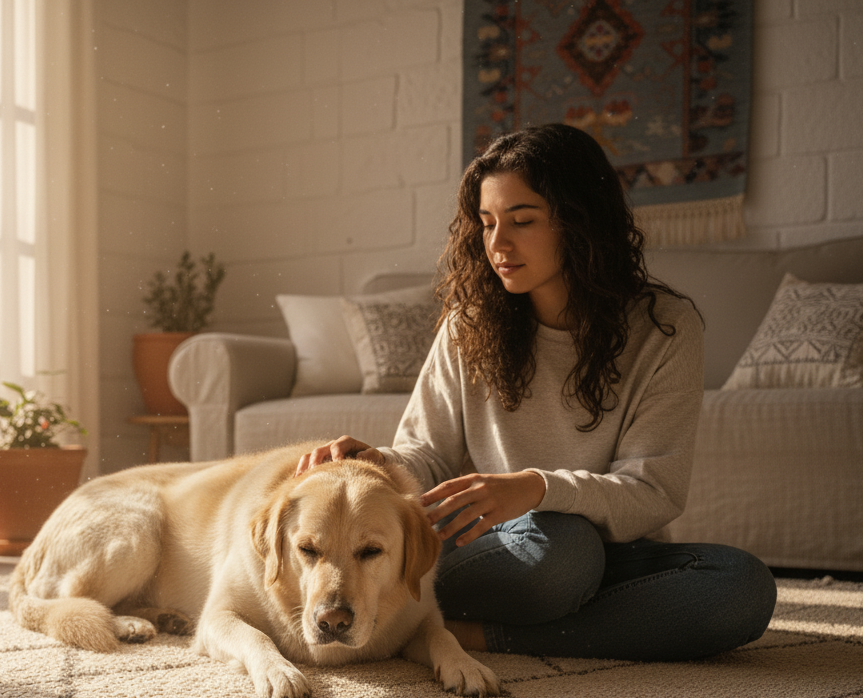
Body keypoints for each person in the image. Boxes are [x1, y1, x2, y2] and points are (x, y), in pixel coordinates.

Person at [297, 123, 776, 662]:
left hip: (612, 556)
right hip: (501, 553)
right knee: (563, 555)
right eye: (487, 223)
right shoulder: (469, 324)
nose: (498, 244)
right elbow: (427, 456)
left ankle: (465, 631)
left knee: (741, 586)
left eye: (522, 221)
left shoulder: (666, 327)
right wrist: (378, 459)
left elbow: (653, 492)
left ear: (581, 223)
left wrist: (537, 489)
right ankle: (441, 612)